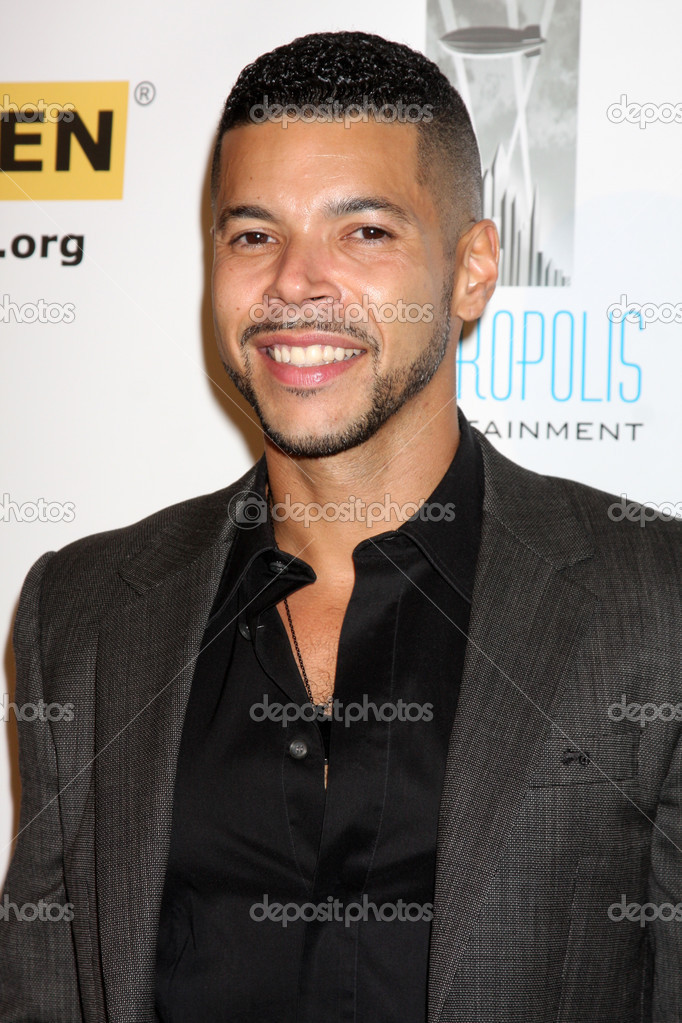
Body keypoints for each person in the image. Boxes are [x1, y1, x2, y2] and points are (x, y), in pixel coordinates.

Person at [1, 30, 680, 1023]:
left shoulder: (654, 604)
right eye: (253, 235)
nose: (294, 282)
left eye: (363, 232)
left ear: (472, 268)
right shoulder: (81, 613)